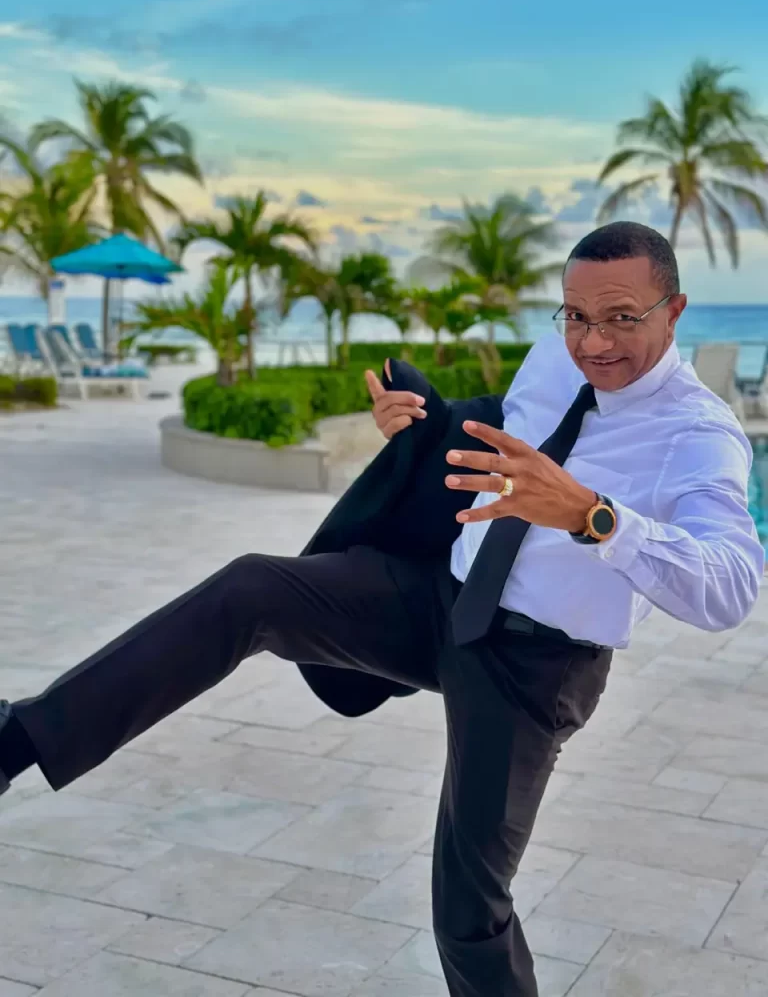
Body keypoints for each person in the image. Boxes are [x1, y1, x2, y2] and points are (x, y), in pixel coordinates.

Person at [0, 221, 763, 997]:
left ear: (674, 311)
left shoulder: (699, 435)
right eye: (576, 314)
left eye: (622, 318)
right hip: (440, 599)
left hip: (534, 666)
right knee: (250, 589)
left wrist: (593, 516)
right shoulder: (553, 357)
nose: (593, 341)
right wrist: (423, 418)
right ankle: (19, 740)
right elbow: (508, 416)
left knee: (468, 909)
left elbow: (732, 584)